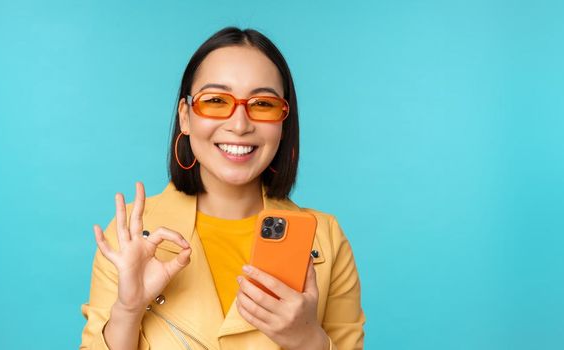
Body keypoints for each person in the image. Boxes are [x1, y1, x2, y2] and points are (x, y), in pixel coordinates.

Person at [80, 27, 365, 350]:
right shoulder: (130, 236)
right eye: (215, 100)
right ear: (185, 118)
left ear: (283, 123)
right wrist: (128, 310)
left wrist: (308, 340)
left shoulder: (326, 240)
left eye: (262, 104)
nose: (240, 124)